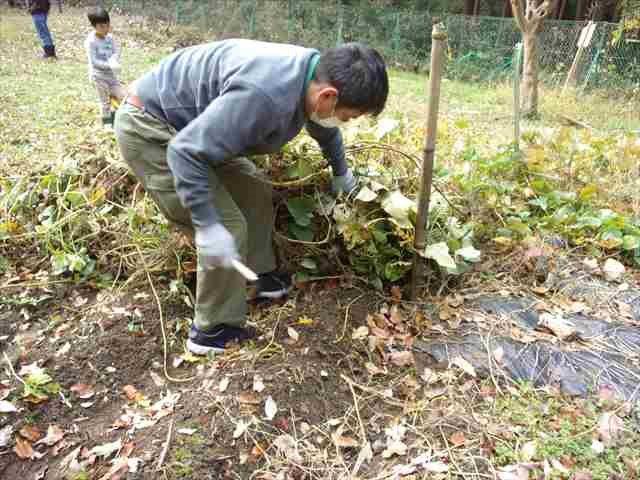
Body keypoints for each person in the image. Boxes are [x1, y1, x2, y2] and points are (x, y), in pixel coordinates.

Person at [115, 39, 388, 355]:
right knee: (226, 226)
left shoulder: (312, 75)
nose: (344, 122)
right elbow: (185, 153)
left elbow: (323, 125)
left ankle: (260, 275)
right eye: (348, 116)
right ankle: (213, 330)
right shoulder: (264, 96)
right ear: (327, 95)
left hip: (200, 130)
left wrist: (341, 172)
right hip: (152, 129)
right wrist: (207, 226)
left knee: (254, 188)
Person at [85, 7, 125, 129]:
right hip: (99, 76)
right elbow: (94, 62)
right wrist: (109, 65)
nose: (106, 29)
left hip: (112, 76)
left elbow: (115, 51)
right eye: (102, 26)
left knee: (122, 96)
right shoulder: (91, 41)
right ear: (94, 26)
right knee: (105, 102)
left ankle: (121, 119)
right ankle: (108, 124)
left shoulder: (110, 38)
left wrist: (116, 58)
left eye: (107, 25)